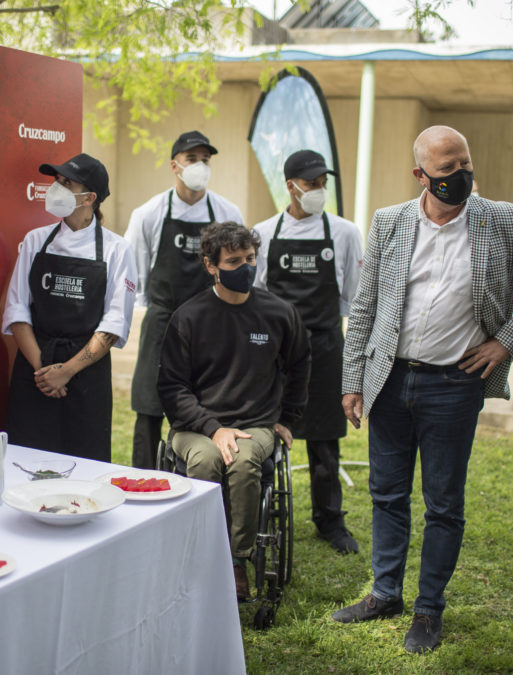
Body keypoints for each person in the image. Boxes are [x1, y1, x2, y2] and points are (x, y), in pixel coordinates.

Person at [331, 125, 513, 653]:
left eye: (464, 163)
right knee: (386, 494)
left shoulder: (498, 219)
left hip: (455, 385)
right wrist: (352, 380)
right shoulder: (389, 222)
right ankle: (385, 592)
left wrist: (504, 343)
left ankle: (428, 608)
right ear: (421, 174)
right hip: (389, 379)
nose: (461, 175)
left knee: (443, 502)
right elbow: (364, 307)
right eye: (447, 168)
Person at [157, 221, 309, 601]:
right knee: (207, 460)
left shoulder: (279, 313)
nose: (245, 267)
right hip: (195, 425)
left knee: (241, 462)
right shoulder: (188, 317)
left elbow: (302, 365)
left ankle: (236, 560)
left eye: (251, 259)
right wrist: (212, 427)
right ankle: (199, 554)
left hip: (254, 425)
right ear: (211, 265)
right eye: (234, 261)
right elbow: (171, 387)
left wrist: (287, 419)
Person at [253, 149, 363, 554]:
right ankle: (262, 508)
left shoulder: (345, 233)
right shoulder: (263, 232)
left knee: (324, 439)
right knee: (265, 432)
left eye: (322, 183)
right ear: (291, 186)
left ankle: (329, 520)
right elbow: (257, 296)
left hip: (326, 346)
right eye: (311, 183)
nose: (318, 190)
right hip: (275, 351)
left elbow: (353, 296)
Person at [1, 153, 137, 463]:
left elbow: (113, 324)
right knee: (27, 464)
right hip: (35, 371)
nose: (55, 188)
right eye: (56, 181)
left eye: (66, 183)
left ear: (89, 198)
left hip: (86, 377)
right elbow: (17, 311)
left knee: (83, 469)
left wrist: (68, 371)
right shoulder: (36, 241)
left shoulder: (117, 250)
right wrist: (43, 371)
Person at [126, 131, 244, 469]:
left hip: (212, 327)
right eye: (193, 159)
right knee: (149, 410)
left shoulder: (226, 212)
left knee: (208, 410)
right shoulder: (148, 214)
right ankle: (144, 485)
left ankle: (202, 484)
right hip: (162, 323)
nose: (200, 166)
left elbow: (238, 272)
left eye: (206, 160)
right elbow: (135, 277)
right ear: (175, 166)